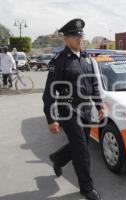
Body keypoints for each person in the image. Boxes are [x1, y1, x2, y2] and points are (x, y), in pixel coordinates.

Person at [42, 19, 103, 200]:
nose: (80, 38)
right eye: (75, 35)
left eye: (81, 35)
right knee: (82, 150)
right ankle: (86, 188)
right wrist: (51, 119)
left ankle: (58, 159)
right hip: (68, 109)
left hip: (85, 109)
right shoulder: (60, 61)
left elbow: (93, 83)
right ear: (66, 39)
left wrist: (99, 105)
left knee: (81, 144)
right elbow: (49, 92)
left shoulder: (86, 59)